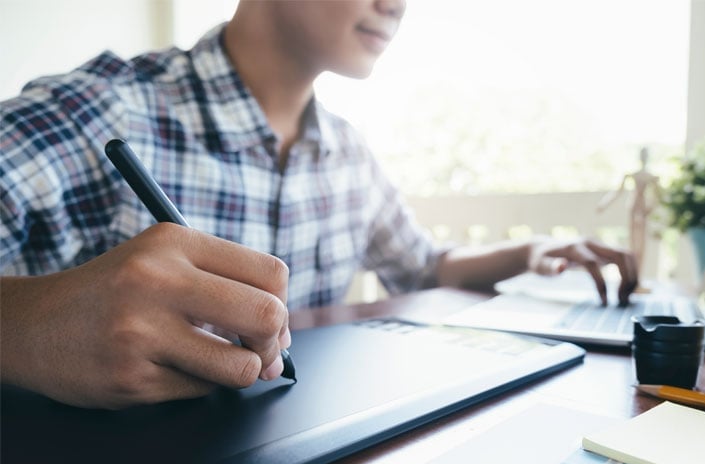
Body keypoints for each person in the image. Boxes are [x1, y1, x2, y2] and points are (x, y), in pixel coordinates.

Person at [0, 0, 637, 409]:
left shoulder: (347, 153)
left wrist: (530, 250)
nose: (397, 5)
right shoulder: (102, 110)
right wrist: (24, 325)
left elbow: (423, 268)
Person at [597, 146, 661, 274]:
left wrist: (651, 207)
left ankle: (638, 277)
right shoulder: (633, 175)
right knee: (632, 245)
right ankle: (633, 277)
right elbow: (617, 192)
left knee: (642, 245)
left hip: (643, 211)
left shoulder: (651, 177)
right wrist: (603, 204)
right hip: (633, 208)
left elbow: (658, 196)